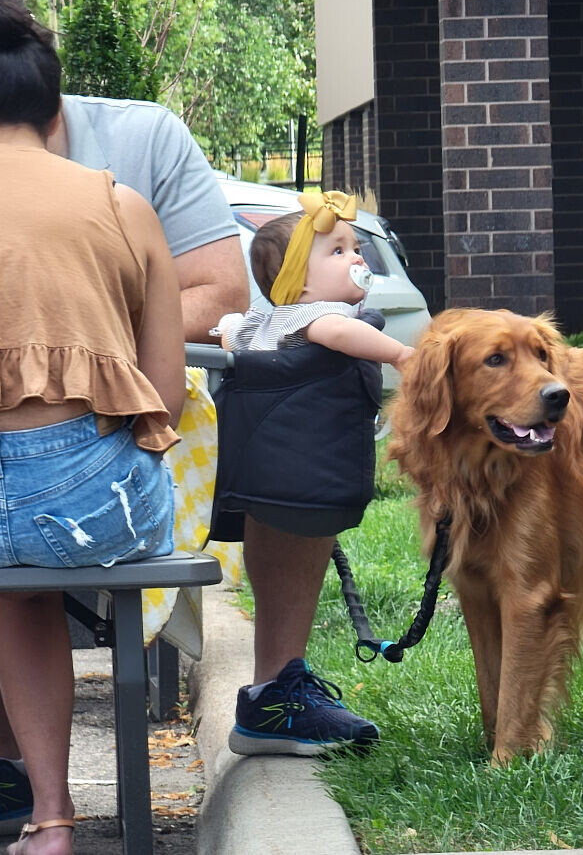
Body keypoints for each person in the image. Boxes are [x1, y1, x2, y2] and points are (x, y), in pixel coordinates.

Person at [0, 0, 245, 852]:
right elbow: (163, 390)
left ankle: (24, 791)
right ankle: (55, 819)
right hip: (78, 519)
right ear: (50, 102)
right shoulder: (118, 204)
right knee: (31, 561)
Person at [214, 190, 415, 756]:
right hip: (298, 459)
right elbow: (342, 337)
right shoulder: (321, 317)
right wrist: (400, 355)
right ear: (298, 280)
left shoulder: (270, 318)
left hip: (267, 453)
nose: (358, 259)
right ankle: (275, 701)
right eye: (338, 251)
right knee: (294, 525)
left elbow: (235, 336)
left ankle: (276, 696)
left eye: (357, 248)